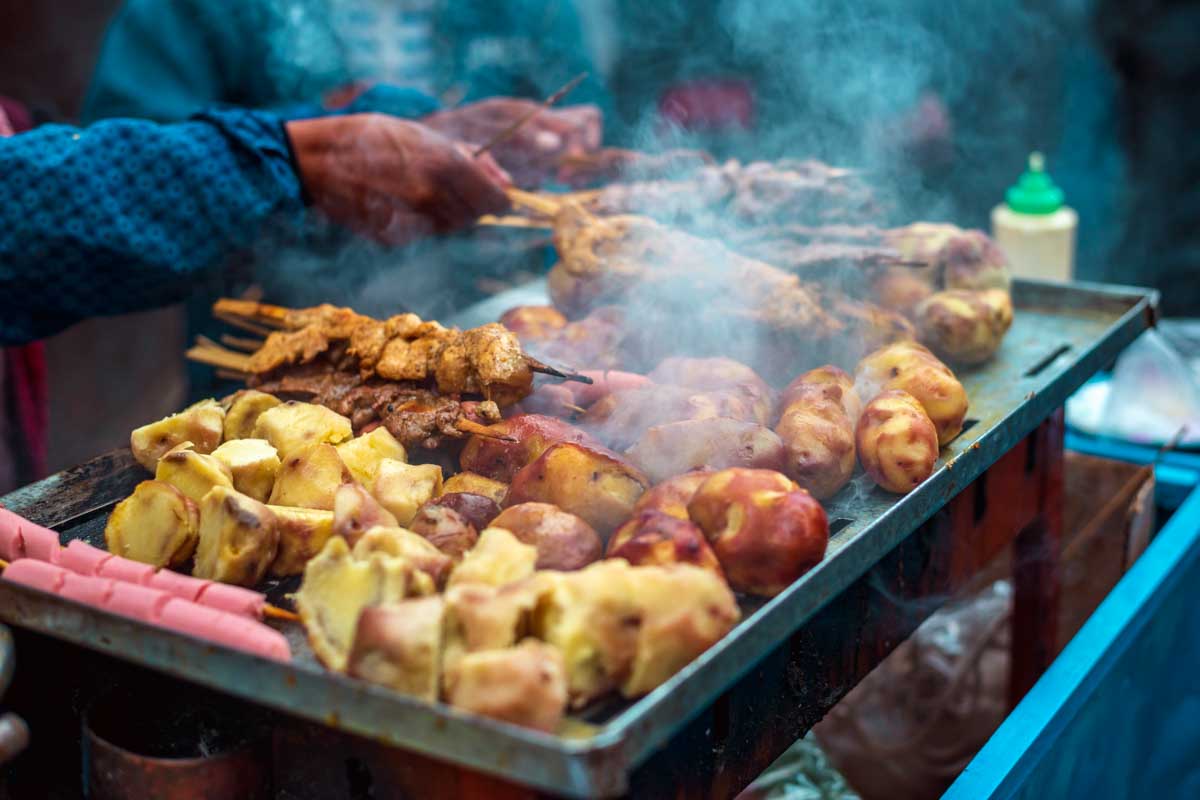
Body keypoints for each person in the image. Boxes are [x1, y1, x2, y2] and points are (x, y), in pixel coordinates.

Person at [83, 0, 605, 187]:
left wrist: (564, 148)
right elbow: (128, 170)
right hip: (277, 332)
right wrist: (317, 139)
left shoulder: (534, 8)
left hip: (504, 313)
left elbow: (596, 132)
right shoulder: (207, 8)